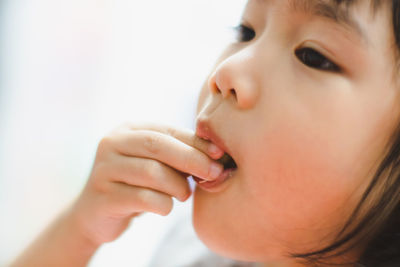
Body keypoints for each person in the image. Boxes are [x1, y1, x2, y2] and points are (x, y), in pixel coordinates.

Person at [11, 0, 400, 266]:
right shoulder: (191, 252)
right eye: (246, 31)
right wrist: (80, 229)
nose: (226, 72)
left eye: (312, 56)